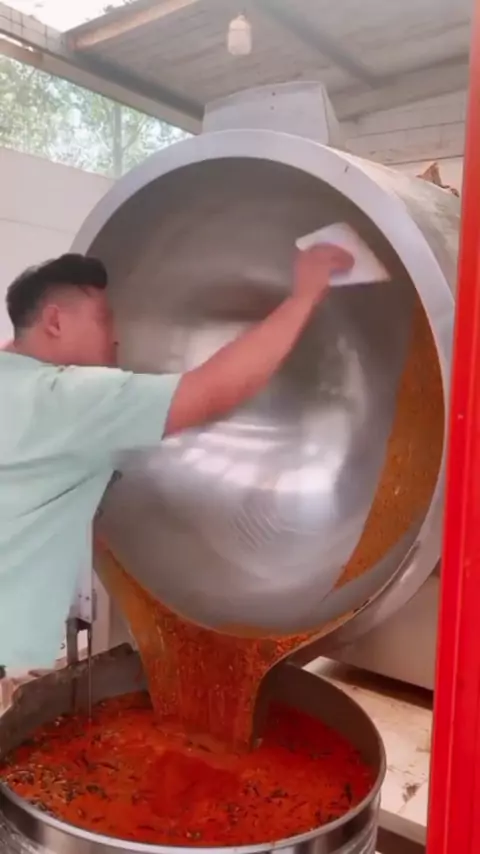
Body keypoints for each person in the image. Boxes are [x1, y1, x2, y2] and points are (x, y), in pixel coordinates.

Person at [0, 245, 352, 674]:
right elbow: (212, 391)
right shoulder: (67, 398)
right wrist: (303, 297)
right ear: (55, 321)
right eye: (103, 319)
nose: (114, 337)